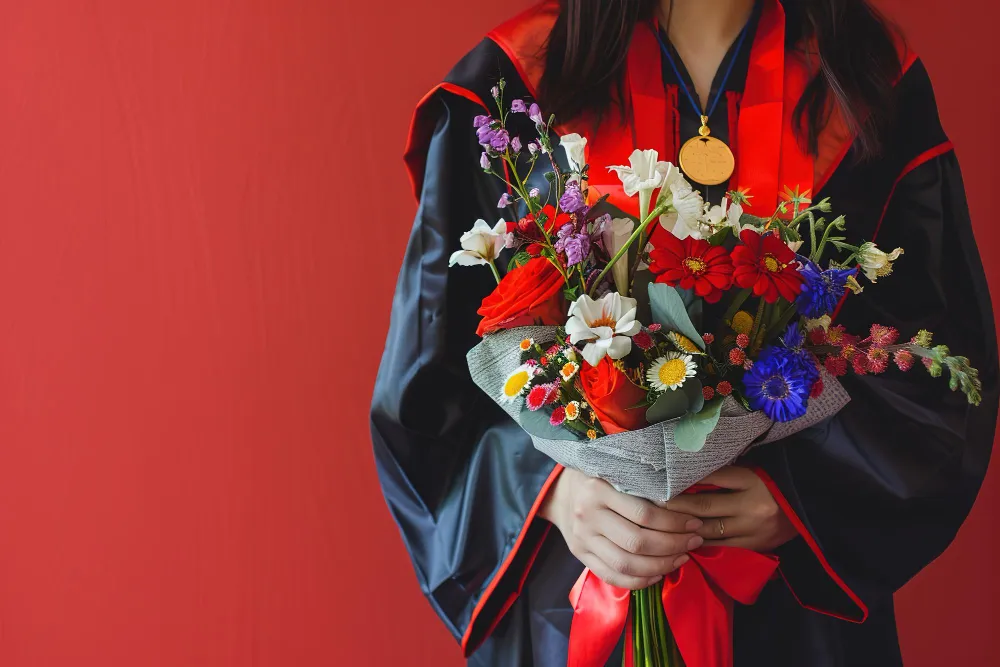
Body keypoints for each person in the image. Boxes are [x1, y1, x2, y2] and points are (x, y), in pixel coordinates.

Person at [370, 0, 999, 664]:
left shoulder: (866, 82)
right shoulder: (514, 86)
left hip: (793, 614)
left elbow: (941, 363)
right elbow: (429, 384)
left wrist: (804, 495)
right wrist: (551, 492)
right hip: (583, 601)